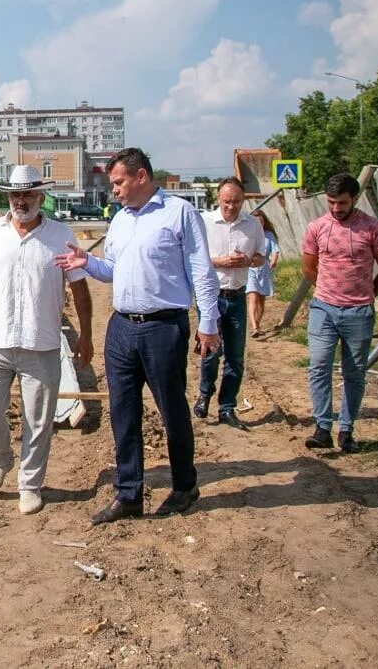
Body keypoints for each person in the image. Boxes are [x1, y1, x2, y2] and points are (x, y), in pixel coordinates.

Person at [54, 147, 219, 524]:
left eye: (118, 182)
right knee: (123, 412)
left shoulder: (179, 213)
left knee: (171, 410)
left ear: (141, 176)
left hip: (164, 327)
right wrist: (87, 263)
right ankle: (128, 493)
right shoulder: (120, 221)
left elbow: (202, 272)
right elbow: (114, 269)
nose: (114, 190)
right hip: (122, 328)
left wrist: (209, 323)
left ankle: (184, 485)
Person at [0, 165, 93, 516]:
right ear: (8, 197)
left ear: (40, 197)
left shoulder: (61, 236)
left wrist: (87, 334)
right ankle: (1, 460)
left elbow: (79, 288)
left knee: (39, 420)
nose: (21, 200)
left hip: (41, 342)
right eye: (16, 194)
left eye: (28, 194)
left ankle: (30, 484)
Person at [302, 172, 378, 454]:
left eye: (341, 203)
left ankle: (347, 430)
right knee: (319, 366)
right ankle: (322, 427)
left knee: (354, 373)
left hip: (359, 312)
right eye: (331, 202)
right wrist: (329, 291)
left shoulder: (372, 228)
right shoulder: (317, 227)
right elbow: (308, 267)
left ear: (354, 199)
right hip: (323, 309)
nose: (336, 209)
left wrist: (365, 295)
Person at [194, 177, 266, 431]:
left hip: (237, 295)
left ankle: (227, 407)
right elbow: (196, 259)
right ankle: (204, 394)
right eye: (226, 202)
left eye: (235, 202)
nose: (231, 207)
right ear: (218, 200)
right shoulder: (205, 223)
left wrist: (249, 260)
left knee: (235, 356)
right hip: (211, 296)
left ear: (243, 200)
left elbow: (261, 257)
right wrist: (221, 262)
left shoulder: (252, 225)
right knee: (210, 351)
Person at [247, 211, 281, 337]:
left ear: (264, 222)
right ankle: (254, 327)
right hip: (250, 268)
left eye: (260, 221)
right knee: (253, 296)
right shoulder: (248, 234)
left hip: (264, 269)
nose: (258, 224)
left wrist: (274, 260)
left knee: (261, 299)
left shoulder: (269, 235)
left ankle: (258, 323)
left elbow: (275, 250)